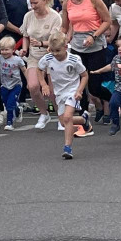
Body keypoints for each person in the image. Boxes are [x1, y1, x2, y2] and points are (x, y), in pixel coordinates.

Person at [60, 0, 111, 122]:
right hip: (77, 45)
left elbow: (107, 20)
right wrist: (60, 40)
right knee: (78, 84)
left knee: (94, 86)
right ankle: (83, 116)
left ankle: (113, 101)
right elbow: (64, 27)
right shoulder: (67, 2)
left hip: (95, 44)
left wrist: (94, 36)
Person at [39, 31, 93, 159]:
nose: (55, 54)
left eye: (58, 50)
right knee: (64, 122)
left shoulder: (74, 59)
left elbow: (84, 75)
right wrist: (44, 84)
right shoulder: (48, 58)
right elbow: (39, 69)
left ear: (65, 47)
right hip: (59, 93)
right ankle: (84, 120)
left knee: (68, 117)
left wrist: (79, 90)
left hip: (72, 92)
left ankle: (67, 148)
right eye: (53, 51)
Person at [20, 0, 62, 129]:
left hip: (52, 55)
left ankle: (61, 117)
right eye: (31, 3)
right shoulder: (28, 16)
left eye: (35, 3)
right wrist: (24, 49)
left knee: (52, 90)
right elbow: (25, 35)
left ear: (44, 0)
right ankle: (44, 113)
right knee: (32, 86)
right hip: (34, 56)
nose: (33, 6)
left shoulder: (55, 17)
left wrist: (41, 43)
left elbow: (56, 41)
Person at [0, 36, 25, 130]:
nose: (4, 52)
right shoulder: (0, 58)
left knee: (9, 104)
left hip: (16, 85)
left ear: (13, 49)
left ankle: (9, 122)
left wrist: (29, 82)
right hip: (4, 85)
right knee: (6, 101)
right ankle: (17, 109)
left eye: (6, 50)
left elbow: (25, 71)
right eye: (2, 50)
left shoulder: (17, 60)